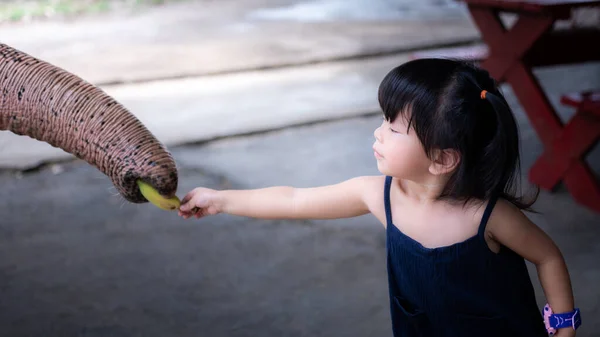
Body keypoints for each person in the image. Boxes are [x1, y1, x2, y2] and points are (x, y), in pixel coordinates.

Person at [177, 58, 580, 336]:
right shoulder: (377, 195)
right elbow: (295, 199)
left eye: (393, 127)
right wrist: (222, 200)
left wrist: (563, 321)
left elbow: (547, 256)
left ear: (441, 159)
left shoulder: (488, 217)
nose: (378, 132)